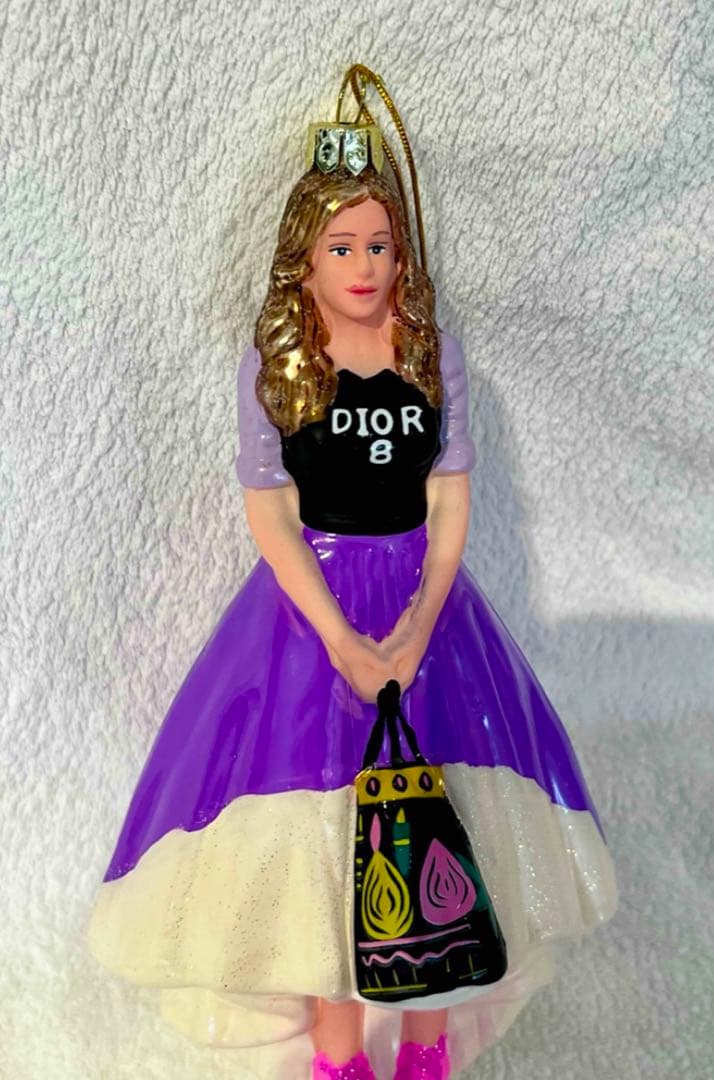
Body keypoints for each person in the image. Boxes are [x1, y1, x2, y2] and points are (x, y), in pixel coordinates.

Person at [87, 69, 618, 1080]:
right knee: (327, 848)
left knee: (439, 827)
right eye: (342, 246)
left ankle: (426, 1043)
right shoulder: (275, 365)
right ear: (305, 257)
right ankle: (339, 1058)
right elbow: (270, 514)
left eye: (379, 244)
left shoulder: (432, 355)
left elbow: (449, 503)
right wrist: (339, 638)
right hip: (308, 619)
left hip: (429, 612)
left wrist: (416, 628)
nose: (364, 265)